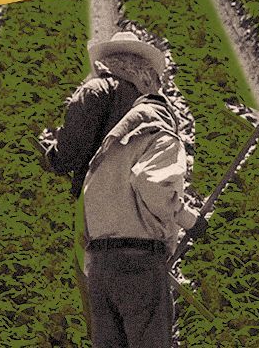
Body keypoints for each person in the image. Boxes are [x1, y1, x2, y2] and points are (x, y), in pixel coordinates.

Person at [73, 31, 203, 348]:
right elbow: (152, 184)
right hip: (139, 266)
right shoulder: (160, 129)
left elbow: (92, 194)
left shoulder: (113, 140)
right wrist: (189, 220)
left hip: (102, 267)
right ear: (151, 82)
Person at [41, 34, 147, 200]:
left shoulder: (96, 90)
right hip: (139, 206)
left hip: (98, 200)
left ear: (109, 59)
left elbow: (68, 153)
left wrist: (53, 156)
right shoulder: (152, 102)